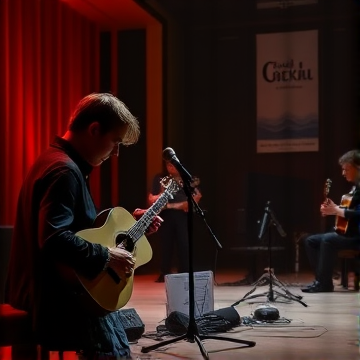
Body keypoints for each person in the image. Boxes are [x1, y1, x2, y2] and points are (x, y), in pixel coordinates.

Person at [5, 93, 163, 358]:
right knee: (114, 346)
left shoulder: (57, 161)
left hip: (45, 287)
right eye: (114, 142)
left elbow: (79, 230)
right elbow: (54, 238)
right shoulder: (64, 171)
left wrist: (133, 228)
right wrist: (107, 255)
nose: (115, 153)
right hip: (52, 297)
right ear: (94, 130)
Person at [302, 149, 360, 293]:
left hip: (357, 236)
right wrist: (333, 209)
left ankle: (324, 284)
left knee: (328, 239)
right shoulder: (356, 188)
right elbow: (349, 209)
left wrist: (337, 210)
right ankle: (321, 280)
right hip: (350, 233)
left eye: (346, 169)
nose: (343, 173)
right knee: (310, 240)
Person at [148, 160, 202, 283]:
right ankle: (164, 272)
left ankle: (185, 271)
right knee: (165, 244)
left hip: (182, 215)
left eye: (173, 164)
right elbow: (151, 198)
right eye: (168, 164)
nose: (170, 167)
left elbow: (197, 197)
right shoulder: (160, 178)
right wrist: (162, 195)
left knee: (184, 243)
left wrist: (174, 206)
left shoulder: (188, 178)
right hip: (165, 215)